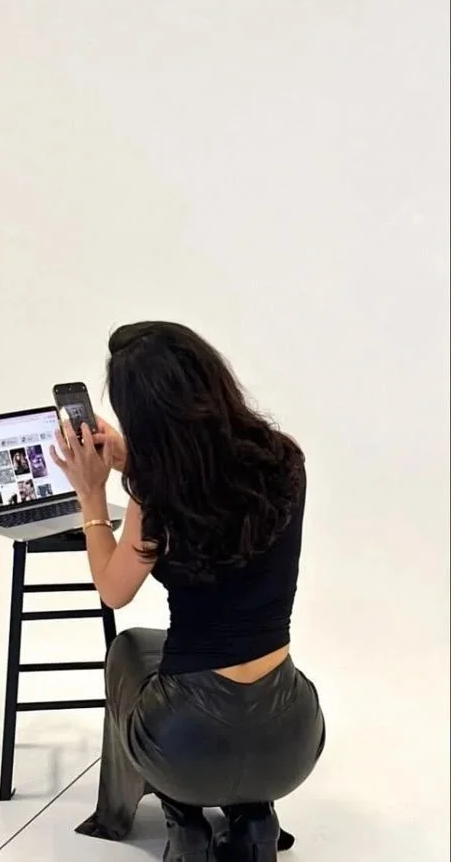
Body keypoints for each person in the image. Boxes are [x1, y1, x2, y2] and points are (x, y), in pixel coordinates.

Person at [50, 322, 325, 862]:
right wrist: (135, 459)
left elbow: (112, 589)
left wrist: (91, 495)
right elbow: (217, 486)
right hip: (291, 741)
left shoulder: (153, 499)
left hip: (187, 748)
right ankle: (254, 814)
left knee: (128, 648)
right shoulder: (284, 461)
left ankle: (184, 819)